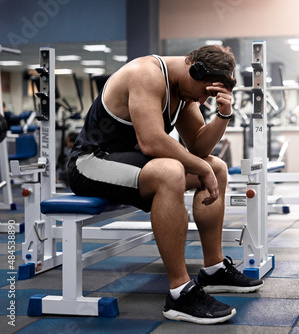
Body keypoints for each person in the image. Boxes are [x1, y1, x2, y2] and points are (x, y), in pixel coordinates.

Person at [67, 45, 263, 324]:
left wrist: (223, 115)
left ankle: (213, 269)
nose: (203, 99)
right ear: (193, 68)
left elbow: (197, 144)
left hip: (131, 163)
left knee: (217, 167)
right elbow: (151, 141)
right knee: (171, 171)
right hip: (90, 164)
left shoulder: (183, 92)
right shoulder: (146, 74)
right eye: (204, 91)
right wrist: (200, 167)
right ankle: (179, 293)